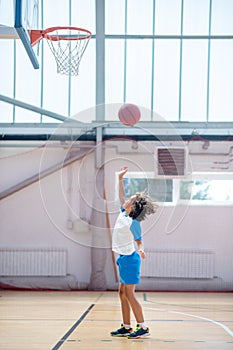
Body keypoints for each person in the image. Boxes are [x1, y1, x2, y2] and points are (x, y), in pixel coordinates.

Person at [110, 166, 158, 339]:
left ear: (133, 206)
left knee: (129, 293)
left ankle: (143, 327)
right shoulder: (123, 213)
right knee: (122, 293)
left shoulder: (133, 222)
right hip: (123, 258)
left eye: (129, 200)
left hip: (131, 259)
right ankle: (126, 326)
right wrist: (120, 178)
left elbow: (139, 240)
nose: (126, 200)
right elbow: (121, 195)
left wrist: (141, 248)